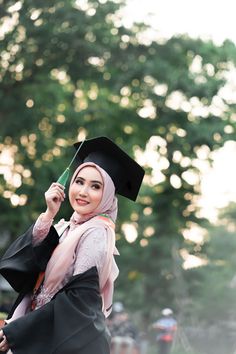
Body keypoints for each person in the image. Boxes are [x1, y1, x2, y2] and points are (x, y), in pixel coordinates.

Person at [0, 136, 144, 354]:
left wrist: (19, 332)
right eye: (79, 181)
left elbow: (77, 301)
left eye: (95, 186)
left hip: (59, 338)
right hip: (36, 327)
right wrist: (49, 213)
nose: (83, 192)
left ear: (107, 195)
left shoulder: (97, 232)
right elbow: (30, 266)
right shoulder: (68, 226)